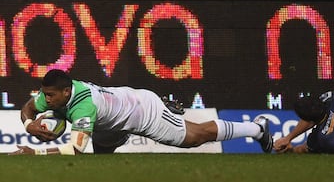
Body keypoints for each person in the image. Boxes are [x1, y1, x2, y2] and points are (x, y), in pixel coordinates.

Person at [10, 69, 273, 155]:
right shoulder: (53, 94)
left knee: (196, 137)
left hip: (142, 111)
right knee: (98, 162)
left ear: (66, 93)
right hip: (111, 122)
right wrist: (28, 124)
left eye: (50, 95)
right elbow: (28, 108)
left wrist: (36, 152)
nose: (45, 99)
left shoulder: (83, 105)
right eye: (44, 94)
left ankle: (257, 128)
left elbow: (75, 149)